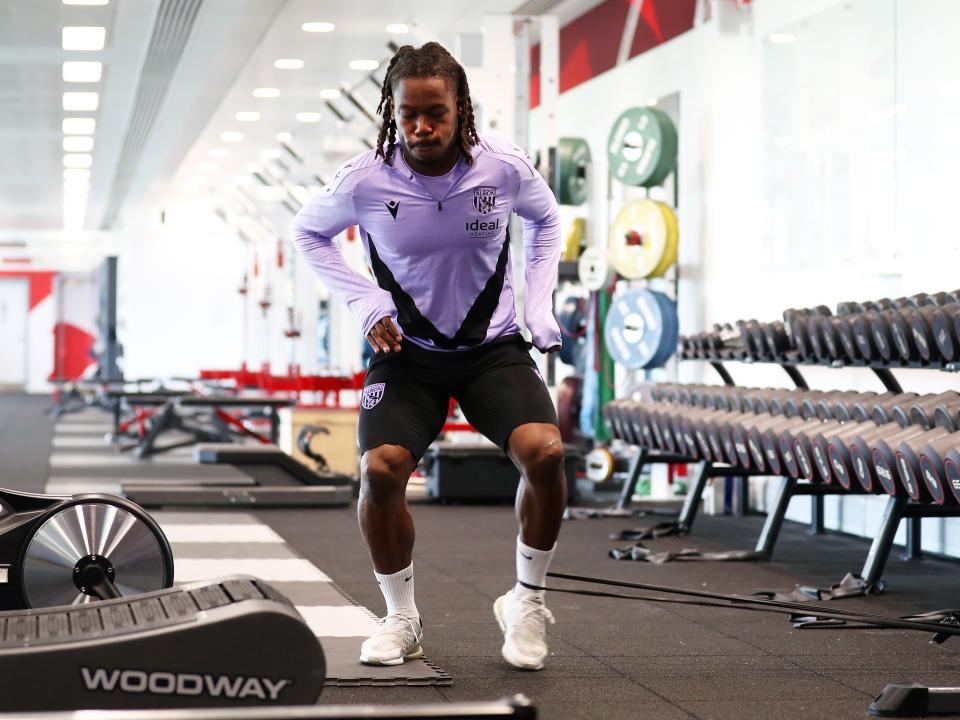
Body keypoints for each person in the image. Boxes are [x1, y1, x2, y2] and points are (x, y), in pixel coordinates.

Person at [292, 42, 565, 671]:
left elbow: (546, 222)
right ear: (392, 111)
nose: (422, 127)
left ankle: (525, 600)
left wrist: (539, 305)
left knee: (546, 455)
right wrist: (366, 303)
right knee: (381, 471)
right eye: (409, 113)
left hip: (491, 349)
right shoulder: (364, 180)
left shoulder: (503, 168)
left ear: (460, 107)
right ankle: (401, 617)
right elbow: (308, 233)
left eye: (435, 112)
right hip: (406, 353)